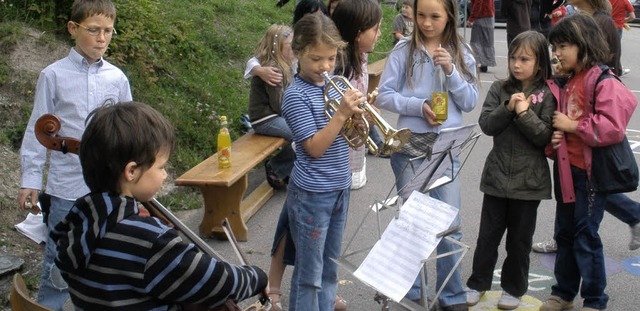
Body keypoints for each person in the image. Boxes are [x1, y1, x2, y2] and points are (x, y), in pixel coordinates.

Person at [48, 101, 268, 309]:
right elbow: (215, 281)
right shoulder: (149, 241)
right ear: (131, 171)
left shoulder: (76, 222)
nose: (165, 175)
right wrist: (256, 277)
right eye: (161, 167)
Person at [16, 1, 132, 309]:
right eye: (93, 30)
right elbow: (37, 129)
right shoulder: (53, 75)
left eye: (108, 31)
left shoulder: (117, 78)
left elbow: (130, 132)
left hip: (107, 186)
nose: (101, 38)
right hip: (66, 185)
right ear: (73, 29)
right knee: (59, 258)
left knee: (106, 254)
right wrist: (30, 179)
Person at [376, 0, 479, 309]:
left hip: (446, 146)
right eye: (421, 15)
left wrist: (451, 71)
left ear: (450, 16)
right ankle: (411, 290)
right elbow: (384, 95)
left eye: (435, 16)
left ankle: (451, 294)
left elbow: (470, 100)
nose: (427, 23)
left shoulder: (462, 53)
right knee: (413, 222)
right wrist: (417, 105)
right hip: (409, 147)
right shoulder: (403, 50)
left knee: (450, 221)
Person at [539, 13, 637, 311]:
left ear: (583, 44)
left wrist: (573, 126)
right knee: (564, 233)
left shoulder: (603, 81)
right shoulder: (567, 80)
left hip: (593, 176)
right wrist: (553, 143)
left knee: (585, 235)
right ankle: (563, 293)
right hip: (568, 171)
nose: (556, 54)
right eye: (555, 48)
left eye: (563, 46)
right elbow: (559, 125)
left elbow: (612, 126)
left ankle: (595, 300)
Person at [465, 31, 555, 310]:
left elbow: (543, 137)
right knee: (487, 237)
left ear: (539, 63)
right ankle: (477, 283)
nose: (516, 64)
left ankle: (513, 289)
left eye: (525, 59)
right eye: (514, 57)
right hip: (496, 176)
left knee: (519, 241)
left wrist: (525, 113)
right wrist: (508, 107)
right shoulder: (500, 89)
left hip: (529, 183)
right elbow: (487, 124)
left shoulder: (546, 94)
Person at [281, 13, 361, 311]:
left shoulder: (332, 88)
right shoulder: (295, 96)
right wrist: (341, 114)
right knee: (310, 274)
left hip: (339, 185)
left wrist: (358, 118)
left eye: (331, 58)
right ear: (297, 52)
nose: (325, 67)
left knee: (330, 268)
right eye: (316, 59)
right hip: (313, 193)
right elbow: (314, 148)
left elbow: (351, 138)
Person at [332, 0, 383, 189]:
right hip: (335, 157)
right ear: (358, 33)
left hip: (352, 147)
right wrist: (357, 116)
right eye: (375, 29)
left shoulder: (361, 57)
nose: (379, 34)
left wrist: (366, 111)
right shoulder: (336, 67)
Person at [248, 24, 296, 190]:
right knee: (302, 134)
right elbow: (279, 105)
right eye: (291, 44)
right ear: (277, 47)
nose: (296, 47)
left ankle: (288, 168)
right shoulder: (274, 68)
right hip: (265, 118)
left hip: (275, 115)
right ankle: (276, 167)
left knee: (307, 129)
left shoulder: (286, 63)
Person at [244, 0, 329, 87]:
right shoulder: (289, 36)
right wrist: (259, 70)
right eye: (311, 16)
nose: (316, 20)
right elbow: (255, 60)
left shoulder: (329, 41)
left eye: (321, 16)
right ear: (301, 16)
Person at [467, 0, 497, 73]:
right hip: (489, 15)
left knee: (476, 41)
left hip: (481, 16)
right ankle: (485, 64)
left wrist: (471, 19)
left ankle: (476, 63)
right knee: (487, 41)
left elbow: (478, 3)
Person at [609, 0, 635, 75]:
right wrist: (624, 20)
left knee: (608, 47)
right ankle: (617, 69)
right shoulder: (624, 1)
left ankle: (612, 66)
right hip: (618, 26)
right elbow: (632, 16)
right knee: (616, 49)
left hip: (607, 24)